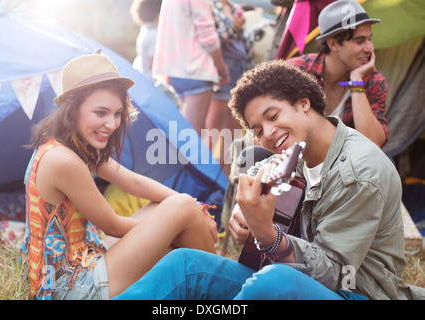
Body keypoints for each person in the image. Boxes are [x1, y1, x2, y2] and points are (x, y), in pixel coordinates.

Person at [114, 59, 424, 300]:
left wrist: (266, 233)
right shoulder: (302, 149)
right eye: (258, 129)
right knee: (185, 264)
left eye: (273, 117)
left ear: (304, 103)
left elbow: (335, 272)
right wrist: (241, 207)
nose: (268, 134)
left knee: (274, 280)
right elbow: (261, 169)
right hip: (301, 279)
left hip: (356, 291)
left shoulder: (358, 172)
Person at [21, 54, 217, 300]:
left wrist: (196, 210)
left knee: (172, 205)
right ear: (72, 110)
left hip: (86, 256)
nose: (112, 124)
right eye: (101, 112)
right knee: (181, 209)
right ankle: (222, 292)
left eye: (117, 114)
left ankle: (213, 284)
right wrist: (173, 227)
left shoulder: (72, 144)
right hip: (68, 286)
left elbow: (133, 182)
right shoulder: (63, 160)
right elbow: (111, 225)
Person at [287, 0, 388, 148]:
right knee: (252, 152)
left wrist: (357, 83)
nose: (370, 48)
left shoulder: (373, 81)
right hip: (298, 156)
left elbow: (373, 144)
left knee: (385, 163)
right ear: (333, 44)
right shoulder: (297, 70)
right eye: (360, 41)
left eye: (369, 39)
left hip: (344, 165)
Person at [153, 0, 230, 136]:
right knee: (190, 138)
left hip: (176, 70)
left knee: (195, 133)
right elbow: (208, 36)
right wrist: (221, 68)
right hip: (195, 69)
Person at [205, 0, 267, 152]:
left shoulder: (233, 8)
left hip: (242, 68)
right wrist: (236, 26)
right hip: (225, 67)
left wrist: (259, 29)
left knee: (233, 133)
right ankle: (201, 173)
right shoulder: (211, 6)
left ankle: (224, 174)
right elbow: (214, 38)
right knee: (213, 131)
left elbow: (243, 39)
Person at [130, 0, 162, 83]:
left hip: (145, 78)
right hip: (155, 82)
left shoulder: (145, 31)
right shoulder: (154, 34)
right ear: (158, 13)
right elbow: (153, 63)